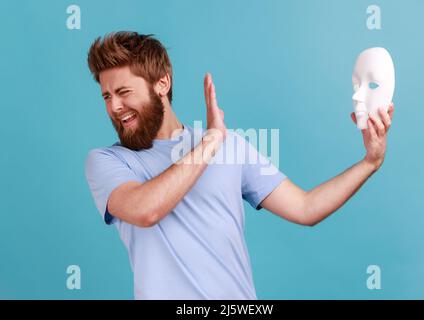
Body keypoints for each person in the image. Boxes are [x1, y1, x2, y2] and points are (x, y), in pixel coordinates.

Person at [85, 31, 394, 299]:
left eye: (124, 92)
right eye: (106, 96)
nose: (114, 107)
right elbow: (145, 210)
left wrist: (369, 162)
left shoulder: (229, 144)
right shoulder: (108, 161)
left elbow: (306, 208)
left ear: (162, 83)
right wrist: (210, 142)